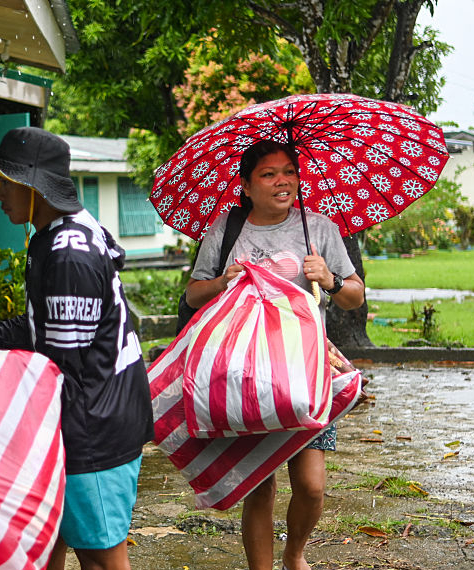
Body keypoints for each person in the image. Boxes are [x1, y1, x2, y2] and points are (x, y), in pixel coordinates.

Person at [0, 127, 154, 570]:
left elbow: (65, 368)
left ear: (35, 186)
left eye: (6, 182)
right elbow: (45, 327)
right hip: (94, 414)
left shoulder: (68, 254)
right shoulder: (61, 234)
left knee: (101, 557)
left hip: (93, 429)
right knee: (50, 541)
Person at [184, 140, 365, 570]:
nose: (283, 181)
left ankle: (294, 554)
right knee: (259, 487)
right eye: (268, 174)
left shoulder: (318, 228)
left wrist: (331, 280)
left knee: (311, 485)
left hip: (307, 373)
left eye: (289, 172)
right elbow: (193, 295)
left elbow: (355, 297)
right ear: (246, 186)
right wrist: (222, 282)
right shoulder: (226, 229)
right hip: (246, 375)